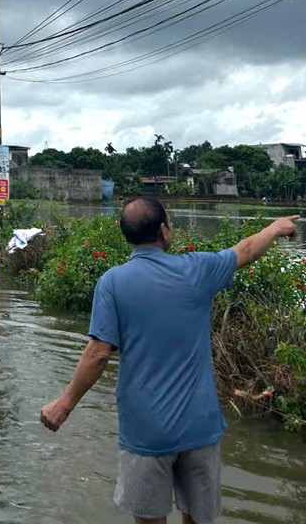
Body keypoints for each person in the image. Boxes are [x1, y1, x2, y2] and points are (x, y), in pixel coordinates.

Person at [40, 196, 299, 524]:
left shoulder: (112, 283)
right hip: (199, 427)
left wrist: (64, 403)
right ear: (164, 231)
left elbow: (98, 354)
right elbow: (246, 249)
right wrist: (275, 228)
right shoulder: (197, 270)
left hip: (146, 433)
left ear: (125, 234)